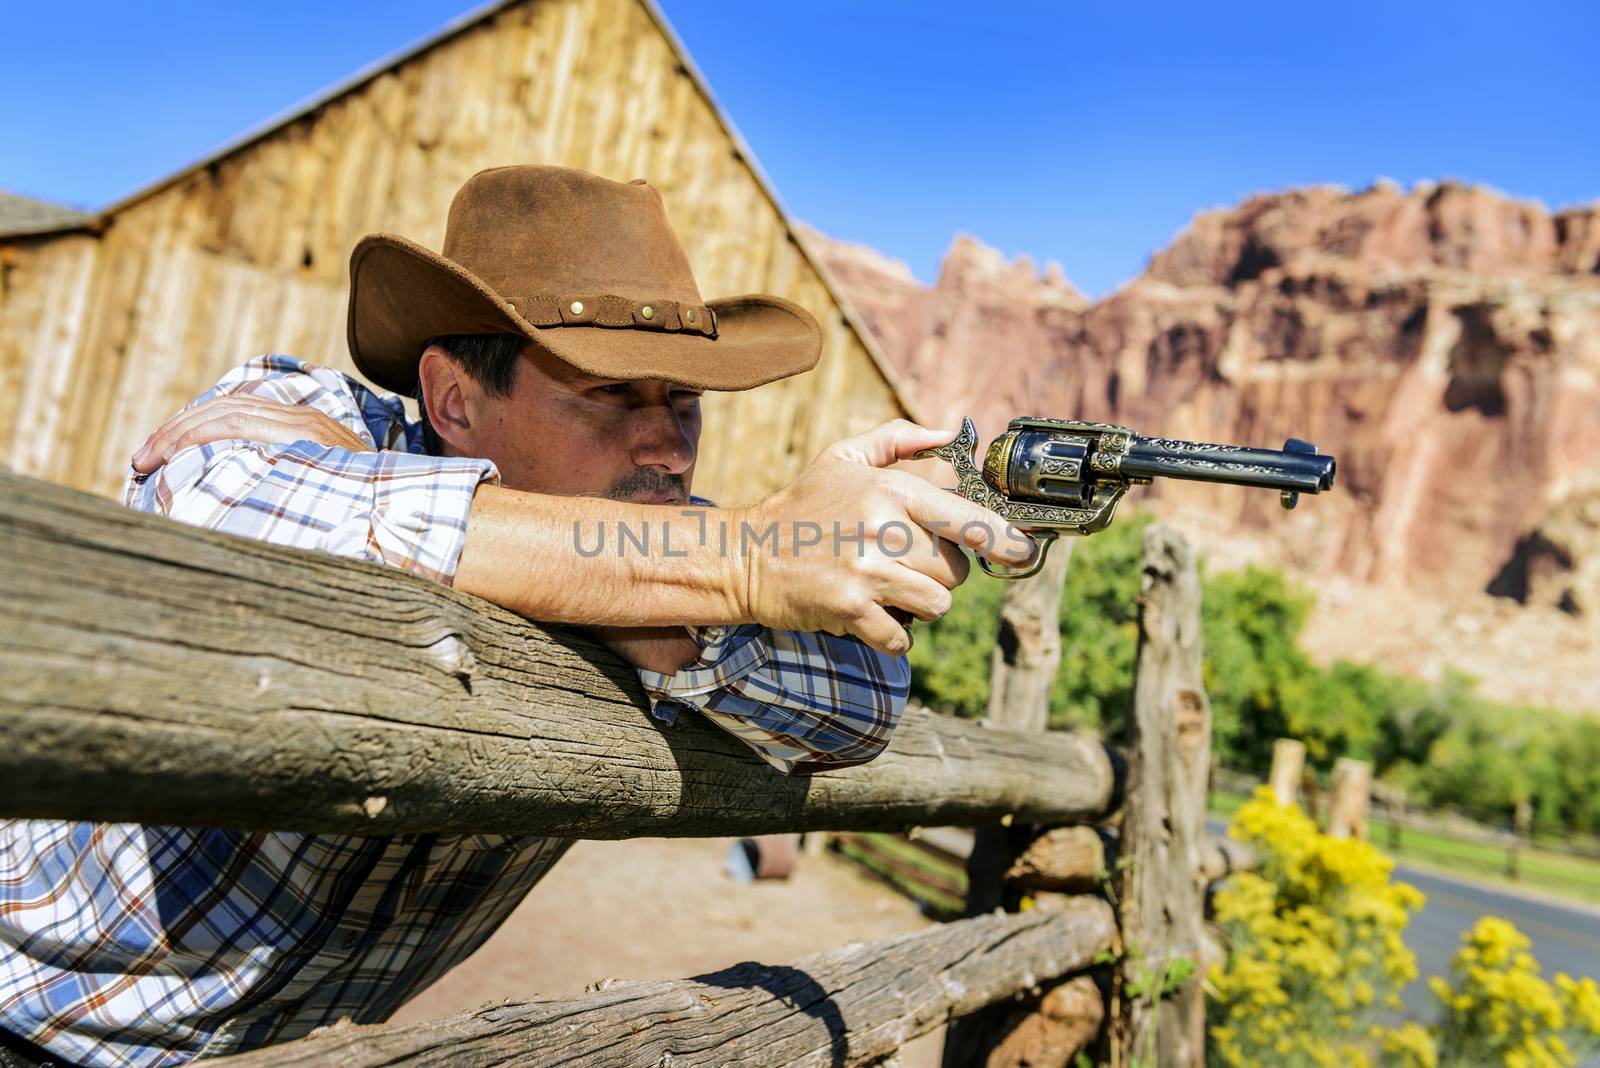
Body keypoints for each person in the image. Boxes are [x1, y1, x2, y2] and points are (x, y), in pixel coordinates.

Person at [0, 165, 1030, 1067]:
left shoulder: (680, 540)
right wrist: (740, 567)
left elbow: (858, 700)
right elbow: (212, 504)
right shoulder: (311, 416)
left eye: (685, 402)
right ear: (450, 402)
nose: (669, 446)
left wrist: (665, 587)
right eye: (610, 395)